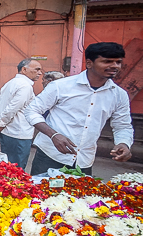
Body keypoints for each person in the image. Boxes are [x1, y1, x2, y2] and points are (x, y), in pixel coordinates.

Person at [24, 42, 134, 176]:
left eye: (118, 62)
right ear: (89, 63)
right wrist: (53, 135)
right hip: (51, 156)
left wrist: (124, 143)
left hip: (84, 161)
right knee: (41, 195)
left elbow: (122, 125)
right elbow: (31, 110)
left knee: (79, 197)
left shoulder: (119, 95)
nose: (114, 66)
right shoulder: (61, 86)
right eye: (107, 61)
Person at [0, 59, 43, 169]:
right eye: (37, 69)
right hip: (18, 134)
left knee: (8, 167)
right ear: (24, 70)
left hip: (8, 133)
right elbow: (12, 109)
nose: (40, 73)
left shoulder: (10, 83)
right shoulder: (25, 86)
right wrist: (0, 124)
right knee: (15, 171)